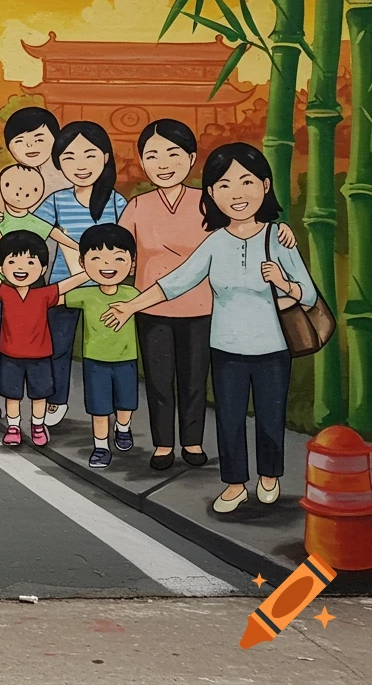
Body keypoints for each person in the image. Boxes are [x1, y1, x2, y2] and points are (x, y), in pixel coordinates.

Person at [102, 143, 317, 514]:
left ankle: (269, 476)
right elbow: (176, 282)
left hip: (273, 348)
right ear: (213, 194)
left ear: (265, 186)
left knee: (270, 417)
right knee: (230, 420)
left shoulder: (278, 237)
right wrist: (129, 306)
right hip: (226, 348)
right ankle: (234, 484)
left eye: (246, 182)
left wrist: (284, 283)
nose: (237, 194)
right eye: (224, 185)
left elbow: (309, 296)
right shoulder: (215, 241)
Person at [118, 120, 296, 470]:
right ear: (142, 162)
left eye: (173, 153)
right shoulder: (137, 207)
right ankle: (163, 444)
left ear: (191, 157)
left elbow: (244, 227)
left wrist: (281, 229)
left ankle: (193, 441)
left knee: (195, 379)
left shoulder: (209, 201)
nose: (163, 163)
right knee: (157, 379)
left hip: (204, 307)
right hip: (152, 308)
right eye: (152, 156)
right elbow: (123, 254)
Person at [0, 164, 71, 431]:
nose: (22, 193)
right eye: (14, 187)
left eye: (31, 189)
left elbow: (63, 239)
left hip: (8, 293)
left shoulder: (36, 223)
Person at [33, 121, 128, 427]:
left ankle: (109, 410)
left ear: (105, 157)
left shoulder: (116, 202)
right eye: (69, 158)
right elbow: (34, 227)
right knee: (58, 348)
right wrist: (66, 241)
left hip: (106, 290)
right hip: (64, 287)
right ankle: (56, 399)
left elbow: (128, 240)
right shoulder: (57, 200)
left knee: (104, 354)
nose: (80, 165)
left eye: (89, 155)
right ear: (59, 163)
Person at [0, 229, 89, 448]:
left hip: (40, 356)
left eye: (30, 263)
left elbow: (71, 283)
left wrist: (91, 271)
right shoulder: (4, 291)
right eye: (13, 262)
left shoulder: (45, 294)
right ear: (2, 268)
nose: (21, 269)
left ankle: (37, 425)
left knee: (39, 395)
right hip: (10, 356)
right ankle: (14, 427)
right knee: (12, 396)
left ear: (42, 268)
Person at [63, 224, 140, 469]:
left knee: (126, 402)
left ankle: (123, 428)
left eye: (119, 258)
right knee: (99, 407)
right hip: (95, 361)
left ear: (132, 263)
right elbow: (54, 297)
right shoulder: (85, 294)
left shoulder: (133, 293)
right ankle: (100, 446)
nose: (108, 266)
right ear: (84, 263)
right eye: (97, 259)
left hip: (126, 358)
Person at [0, 107, 71, 210]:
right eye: (19, 141)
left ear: (56, 139)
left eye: (39, 139)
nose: (29, 145)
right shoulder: (11, 177)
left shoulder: (69, 175)